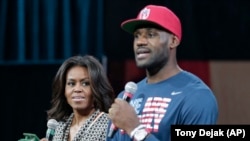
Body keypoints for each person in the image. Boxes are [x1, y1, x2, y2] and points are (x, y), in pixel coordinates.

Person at [107, 4, 218, 141]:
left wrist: (136, 130)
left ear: (173, 41)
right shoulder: (126, 97)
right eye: (137, 36)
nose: (140, 42)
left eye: (151, 34)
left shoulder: (196, 96)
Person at [40, 55, 114, 141]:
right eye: (71, 84)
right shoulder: (60, 126)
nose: (77, 89)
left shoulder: (109, 125)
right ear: (63, 89)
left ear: (97, 88)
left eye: (85, 83)